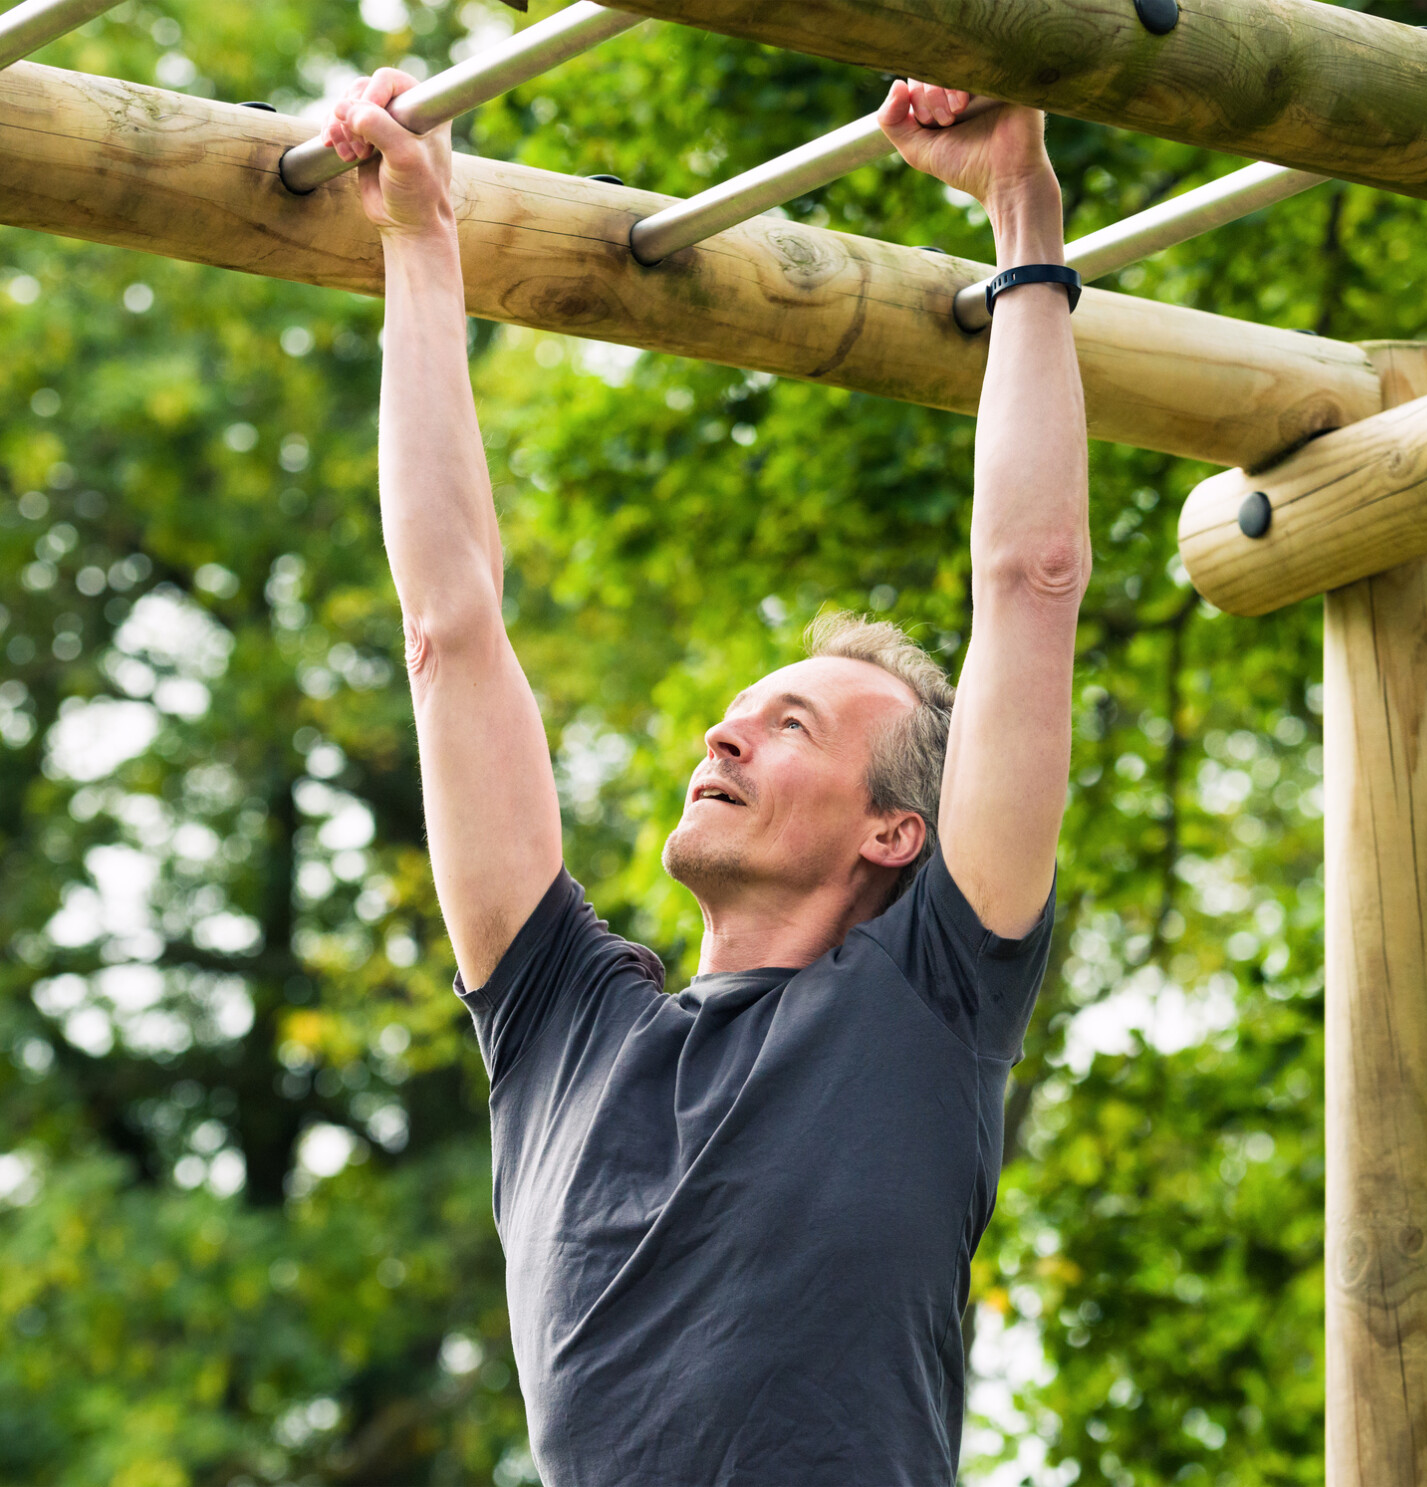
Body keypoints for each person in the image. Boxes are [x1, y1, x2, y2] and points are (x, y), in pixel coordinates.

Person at [316, 65, 1089, 1487]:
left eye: (789, 725)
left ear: (897, 832)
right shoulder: (563, 1037)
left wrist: (1021, 209)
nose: (721, 739)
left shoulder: (932, 996)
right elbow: (446, 630)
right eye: (734, 718)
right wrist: (420, 240)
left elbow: (1030, 582)